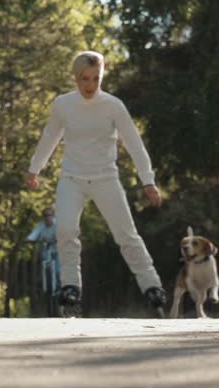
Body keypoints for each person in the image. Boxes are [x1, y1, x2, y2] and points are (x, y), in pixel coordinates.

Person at [24, 50, 167, 313]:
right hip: (72, 178)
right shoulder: (63, 105)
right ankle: (70, 289)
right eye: (84, 79)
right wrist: (35, 168)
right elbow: (50, 137)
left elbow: (135, 145)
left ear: (102, 77)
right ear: (76, 78)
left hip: (106, 178)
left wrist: (148, 181)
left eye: (95, 79)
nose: (90, 85)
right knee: (66, 231)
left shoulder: (113, 106)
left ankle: (152, 287)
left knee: (126, 235)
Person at [26, 208, 60, 292]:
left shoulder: (58, 225)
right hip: (46, 250)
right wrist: (28, 239)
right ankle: (45, 281)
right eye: (45, 215)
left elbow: (63, 234)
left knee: (58, 271)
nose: (47, 217)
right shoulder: (40, 225)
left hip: (57, 251)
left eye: (49, 215)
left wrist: (59, 238)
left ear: (53, 216)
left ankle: (60, 288)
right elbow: (33, 235)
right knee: (44, 264)